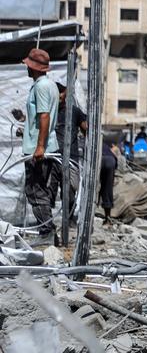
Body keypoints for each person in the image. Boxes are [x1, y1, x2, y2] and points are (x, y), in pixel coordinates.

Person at [19, 48, 61, 245]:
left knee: (35, 190)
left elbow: (44, 116)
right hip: (42, 145)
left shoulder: (42, 86)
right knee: (39, 189)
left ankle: (46, 232)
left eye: (29, 65)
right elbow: (39, 118)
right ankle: (49, 232)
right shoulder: (49, 85)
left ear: (34, 67)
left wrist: (40, 146)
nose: (27, 68)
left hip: (39, 149)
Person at [54, 81, 88, 224]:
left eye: (61, 92)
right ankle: (48, 225)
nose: (59, 96)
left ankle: (67, 220)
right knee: (48, 192)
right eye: (56, 92)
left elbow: (86, 129)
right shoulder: (48, 111)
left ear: (66, 93)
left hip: (71, 158)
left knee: (69, 191)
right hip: (52, 157)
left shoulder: (74, 111)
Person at [99, 136, 118, 224]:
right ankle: (107, 217)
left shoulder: (88, 141)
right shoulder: (106, 146)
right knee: (107, 188)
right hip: (111, 160)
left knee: (94, 188)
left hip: (100, 160)